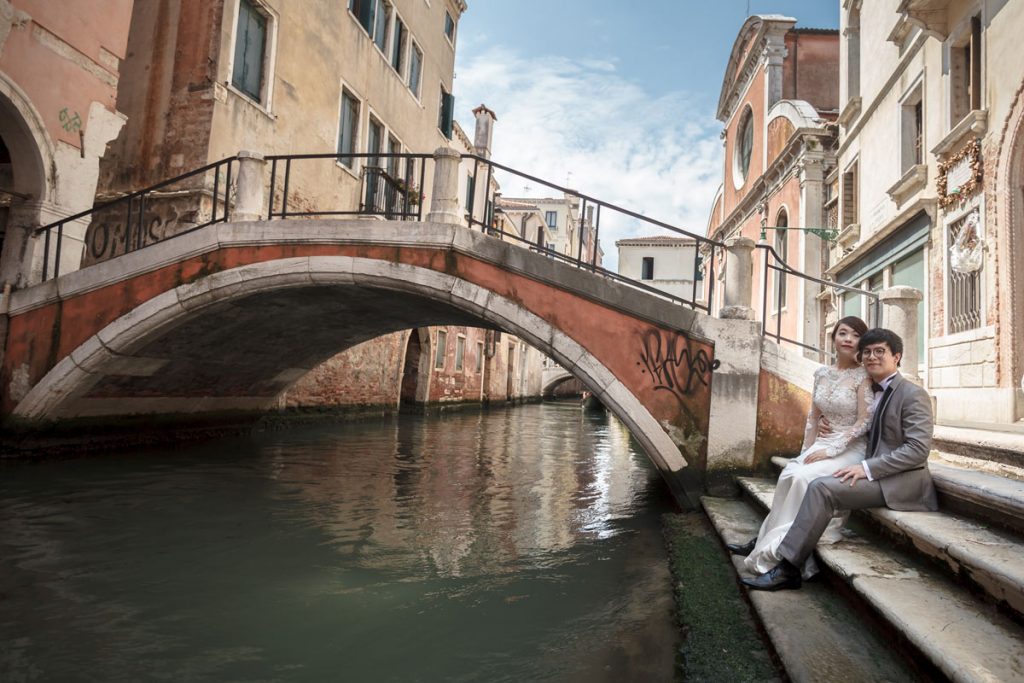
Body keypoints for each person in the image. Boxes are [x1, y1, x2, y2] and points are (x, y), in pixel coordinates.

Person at [741, 328, 937, 591]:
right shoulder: (868, 384)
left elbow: (917, 450)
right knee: (802, 478)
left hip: (900, 481)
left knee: (821, 487)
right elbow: (856, 418)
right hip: (869, 467)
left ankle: (788, 568)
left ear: (897, 356)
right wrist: (825, 422)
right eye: (867, 352)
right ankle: (773, 546)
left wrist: (867, 468)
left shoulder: (913, 394)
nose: (872, 357)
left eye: (880, 351)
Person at [727, 316, 872, 580]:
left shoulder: (863, 376)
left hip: (850, 446)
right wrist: (807, 451)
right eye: (843, 333)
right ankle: (764, 539)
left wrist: (831, 449)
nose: (848, 339)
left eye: (855, 335)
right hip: (823, 442)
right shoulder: (822, 373)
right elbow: (813, 417)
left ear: (861, 342)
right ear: (834, 338)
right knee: (790, 473)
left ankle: (778, 551)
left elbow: (864, 420)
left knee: (804, 479)